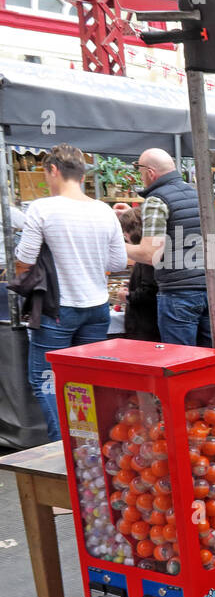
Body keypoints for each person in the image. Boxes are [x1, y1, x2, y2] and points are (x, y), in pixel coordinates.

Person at [14, 143, 128, 440]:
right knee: (87, 380)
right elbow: (116, 262)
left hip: (58, 309)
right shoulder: (104, 211)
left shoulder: (43, 208)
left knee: (46, 382)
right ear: (81, 174)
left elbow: (24, 261)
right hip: (97, 307)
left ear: (53, 170)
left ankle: (62, 449)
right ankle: (91, 448)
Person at [127, 148, 209, 347]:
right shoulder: (196, 194)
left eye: (139, 171)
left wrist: (115, 245)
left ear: (150, 173)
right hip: (210, 289)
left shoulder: (156, 200)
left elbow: (150, 254)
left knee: (179, 364)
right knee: (213, 362)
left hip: (179, 294)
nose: (141, 177)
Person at [114, 206, 161, 342]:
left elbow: (150, 291)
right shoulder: (152, 249)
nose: (124, 237)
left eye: (124, 232)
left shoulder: (146, 256)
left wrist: (127, 296)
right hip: (148, 324)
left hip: (145, 327)